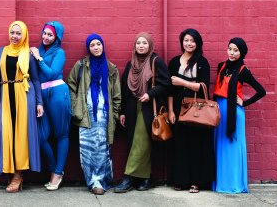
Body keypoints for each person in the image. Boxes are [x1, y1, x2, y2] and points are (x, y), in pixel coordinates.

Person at [0, 21, 44, 193]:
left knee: (21, 135)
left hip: (24, 95)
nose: (14, 36)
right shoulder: (1, 52)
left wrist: (39, 102)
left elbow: (35, 79)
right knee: (7, 133)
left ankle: (18, 175)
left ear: (24, 35)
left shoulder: (27, 54)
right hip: (6, 94)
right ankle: (9, 169)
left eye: (18, 33)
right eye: (12, 32)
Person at [115, 32, 171, 193]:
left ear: (150, 45)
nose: (141, 46)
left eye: (144, 43)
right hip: (133, 107)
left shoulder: (156, 61)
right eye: (138, 43)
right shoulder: (130, 64)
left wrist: (150, 94)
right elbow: (125, 89)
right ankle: (146, 178)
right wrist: (123, 112)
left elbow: (165, 84)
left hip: (148, 108)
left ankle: (128, 177)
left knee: (141, 141)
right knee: (136, 142)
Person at [66, 33, 121, 195]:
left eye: (98, 44)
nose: (96, 47)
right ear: (88, 48)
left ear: (102, 46)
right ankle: (93, 182)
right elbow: (71, 86)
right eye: (92, 45)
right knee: (87, 149)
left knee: (102, 149)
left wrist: (115, 115)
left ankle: (103, 181)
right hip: (85, 114)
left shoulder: (111, 69)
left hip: (104, 116)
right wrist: (76, 108)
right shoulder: (81, 65)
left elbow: (117, 96)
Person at [213, 37, 266, 193]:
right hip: (219, 109)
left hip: (233, 113)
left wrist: (244, 103)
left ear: (241, 53)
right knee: (220, 146)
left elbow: (261, 91)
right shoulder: (221, 66)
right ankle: (221, 183)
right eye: (230, 48)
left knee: (232, 147)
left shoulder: (243, 71)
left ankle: (233, 184)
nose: (232, 52)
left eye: (236, 50)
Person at [166, 28, 214, 193]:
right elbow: (169, 90)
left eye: (192, 41)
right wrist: (171, 111)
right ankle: (181, 180)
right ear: (182, 42)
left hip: (196, 109)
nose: (189, 43)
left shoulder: (202, 62)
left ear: (198, 43)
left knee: (196, 145)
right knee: (180, 144)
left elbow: (204, 86)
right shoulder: (173, 62)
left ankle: (196, 182)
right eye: (186, 40)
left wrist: (183, 82)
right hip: (178, 109)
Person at [29, 21, 70, 190]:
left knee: (61, 134)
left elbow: (52, 73)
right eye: (44, 33)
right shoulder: (39, 51)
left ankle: (58, 172)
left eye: (50, 35)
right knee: (42, 136)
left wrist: (38, 58)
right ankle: (53, 169)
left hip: (58, 93)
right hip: (41, 96)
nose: (46, 37)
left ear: (56, 37)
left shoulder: (59, 52)